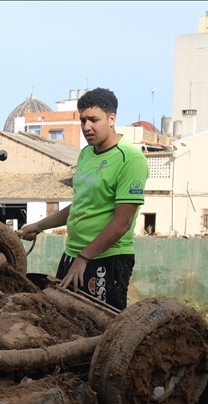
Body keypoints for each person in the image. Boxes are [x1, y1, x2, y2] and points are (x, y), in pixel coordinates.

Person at [18, 88, 148, 310]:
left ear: (112, 119)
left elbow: (122, 222)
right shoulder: (86, 153)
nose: (87, 126)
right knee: (62, 321)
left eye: (94, 120)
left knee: (99, 329)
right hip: (73, 254)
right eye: (83, 120)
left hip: (106, 260)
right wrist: (38, 226)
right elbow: (80, 205)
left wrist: (85, 258)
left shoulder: (131, 159)